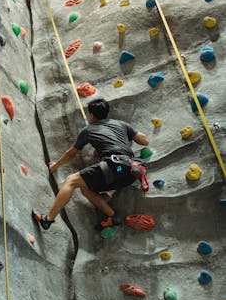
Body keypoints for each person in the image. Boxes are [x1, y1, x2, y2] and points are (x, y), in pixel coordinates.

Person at [32, 98, 150, 230]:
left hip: (113, 166)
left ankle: (47, 220)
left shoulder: (88, 130)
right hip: (129, 173)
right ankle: (111, 215)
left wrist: (55, 166)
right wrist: (125, 135)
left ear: (91, 115)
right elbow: (145, 141)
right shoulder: (121, 124)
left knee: (71, 181)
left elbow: (71, 154)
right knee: (85, 188)